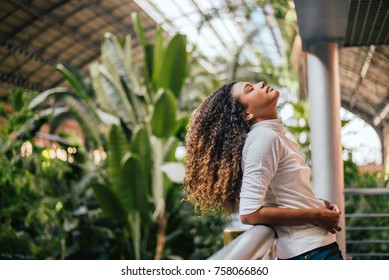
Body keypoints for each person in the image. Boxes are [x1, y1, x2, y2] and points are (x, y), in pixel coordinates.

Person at [183, 81, 343, 260]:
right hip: (309, 253)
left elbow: (282, 193)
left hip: (316, 248)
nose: (260, 84)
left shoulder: (275, 136)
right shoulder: (263, 139)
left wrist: (320, 205)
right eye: (250, 89)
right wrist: (317, 215)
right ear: (247, 114)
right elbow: (249, 213)